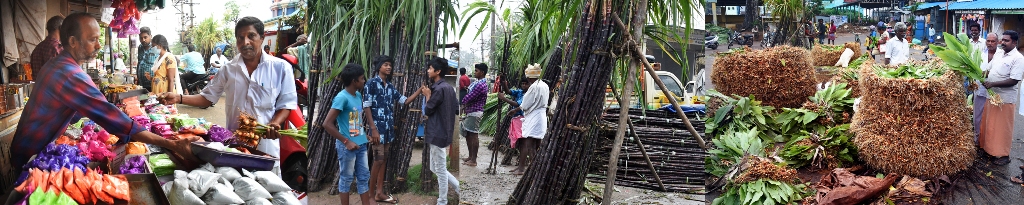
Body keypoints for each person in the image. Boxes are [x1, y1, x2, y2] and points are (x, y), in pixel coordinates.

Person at [8, 12, 199, 180]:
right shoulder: (69, 73)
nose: (99, 45)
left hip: (29, 146)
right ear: (73, 42)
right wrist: (171, 144)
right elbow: (111, 117)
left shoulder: (58, 63)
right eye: (92, 39)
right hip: (30, 152)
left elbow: (75, 110)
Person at [158, 16, 297, 175]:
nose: (245, 42)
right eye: (240, 38)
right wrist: (178, 98)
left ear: (262, 38)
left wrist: (275, 123)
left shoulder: (280, 68)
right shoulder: (228, 69)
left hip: (266, 147)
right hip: (234, 147)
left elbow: (286, 104)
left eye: (251, 36)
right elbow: (207, 98)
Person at [362, 55, 422, 204]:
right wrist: (373, 129)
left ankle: (380, 193)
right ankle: (371, 195)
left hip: (388, 128)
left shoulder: (390, 86)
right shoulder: (371, 84)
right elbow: (366, 106)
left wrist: (419, 90)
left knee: (384, 160)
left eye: (390, 65)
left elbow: (405, 100)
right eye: (386, 64)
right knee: (378, 160)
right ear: (379, 67)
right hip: (377, 129)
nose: (388, 67)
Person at [323, 63, 372, 205]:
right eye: (362, 78)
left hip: (361, 144)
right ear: (354, 81)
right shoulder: (341, 98)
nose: (364, 81)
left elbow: (354, 120)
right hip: (347, 147)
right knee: (346, 179)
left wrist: (363, 135)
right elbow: (327, 124)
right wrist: (346, 141)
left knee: (363, 178)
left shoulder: (357, 95)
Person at [981, 30, 1023, 167]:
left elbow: (1014, 80)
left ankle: (1004, 155)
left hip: (1004, 99)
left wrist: (992, 83)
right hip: (992, 96)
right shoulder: (999, 54)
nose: (1003, 43)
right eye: (1002, 40)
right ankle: (990, 150)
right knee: (991, 126)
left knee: (1003, 128)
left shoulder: (1018, 58)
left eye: (1007, 40)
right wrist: (980, 73)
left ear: (1014, 42)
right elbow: (989, 69)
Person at [421, 57, 460, 205]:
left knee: (440, 169)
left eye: (430, 68)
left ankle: (442, 200)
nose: (428, 70)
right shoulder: (449, 88)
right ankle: (457, 187)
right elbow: (456, 109)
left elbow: (428, 110)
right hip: (444, 132)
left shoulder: (437, 89)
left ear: (437, 71)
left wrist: (427, 96)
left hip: (437, 132)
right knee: (434, 167)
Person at [507, 63, 550, 175]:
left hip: (534, 116)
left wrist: (515, 110)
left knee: (528, 143)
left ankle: (527, 169)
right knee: (535, 144)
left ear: (529, 76)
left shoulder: (534, 87)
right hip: (540, 116)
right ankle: (533, 169)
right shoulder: (544, 85)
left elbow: (525, 104)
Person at [974, 33, 1003, 142]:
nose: (990, 44)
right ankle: (977, 140)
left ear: (998, 42)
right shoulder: (980, 54)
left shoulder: (1002, 54)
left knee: (993, 119)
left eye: (993, 41)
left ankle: (990, 142)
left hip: (995, 91)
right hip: (980, 90)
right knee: (978, 117)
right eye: (988, 41)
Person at [460, 63, 488, 167]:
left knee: (473, 135)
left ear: (482, 72)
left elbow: (469, 97)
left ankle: (473, 160)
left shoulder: (480, 85)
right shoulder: (478, 82)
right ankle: (471, 156)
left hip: (475, 111)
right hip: (471, 111)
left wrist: (463, 102)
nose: (475, 72)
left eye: (476, 71)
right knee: (468, 134)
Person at [498, 76, 529, 173]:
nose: (524, 85)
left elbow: (517, 104)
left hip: (522, 119)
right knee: (520, 144)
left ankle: (521, 168)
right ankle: (520, 166)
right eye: (522, 84)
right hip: (516, 119)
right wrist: (504, 84)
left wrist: (504, 99)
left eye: (526, 84)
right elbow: (509, 92)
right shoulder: (520, 92)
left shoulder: (528, 95)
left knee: (523, 143)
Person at [30, 16, 63, 81]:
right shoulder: (56, 48)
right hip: (53, 90)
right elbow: (58, 77)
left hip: (39, 89)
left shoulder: (38, 47)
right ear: (61, 28)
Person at [137, 27, 158, 91]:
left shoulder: (156, 48)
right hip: (141, 84)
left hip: (152, 84)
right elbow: (139, 62)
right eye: (141, 38)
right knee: (142, 100)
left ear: (150, 36)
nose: (143, 40)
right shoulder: (140, 47)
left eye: (145, 37)